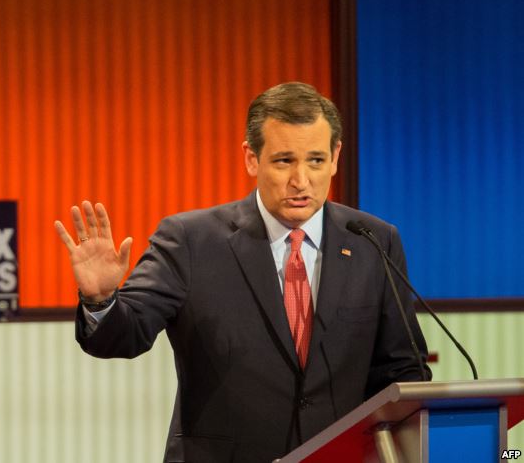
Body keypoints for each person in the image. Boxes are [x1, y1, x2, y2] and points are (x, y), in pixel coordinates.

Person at [54, 82, 431, 462]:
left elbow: (402, 370)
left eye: (316, 160)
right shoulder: (190, 241)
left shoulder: (373, 241)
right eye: (284, 161)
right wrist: (101, 299)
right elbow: (124, 337)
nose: (301, 180)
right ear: (252, 158)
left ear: (335, 157)